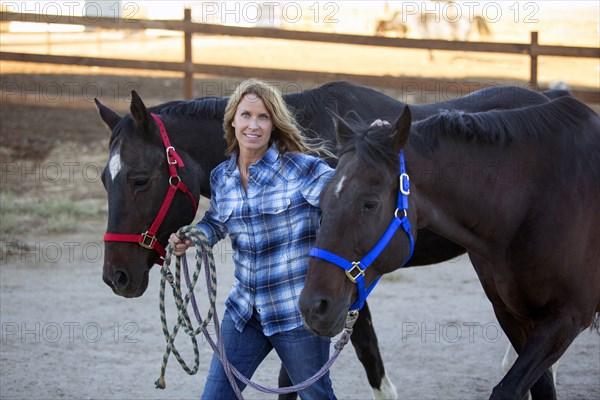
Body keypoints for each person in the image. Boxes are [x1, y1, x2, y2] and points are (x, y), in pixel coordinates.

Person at [168, 78, 336, 400]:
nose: (253, 125)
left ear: (275, 124)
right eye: (246, 115)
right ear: (233, 119)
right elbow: (216, 222)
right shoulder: (222, 177)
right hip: (245, 311)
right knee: (215, 397)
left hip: (295, 315)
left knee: (317, 397)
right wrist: (194, 238)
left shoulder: (305, 170)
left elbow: (345, 198)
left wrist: (378, 152)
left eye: (263, 117)